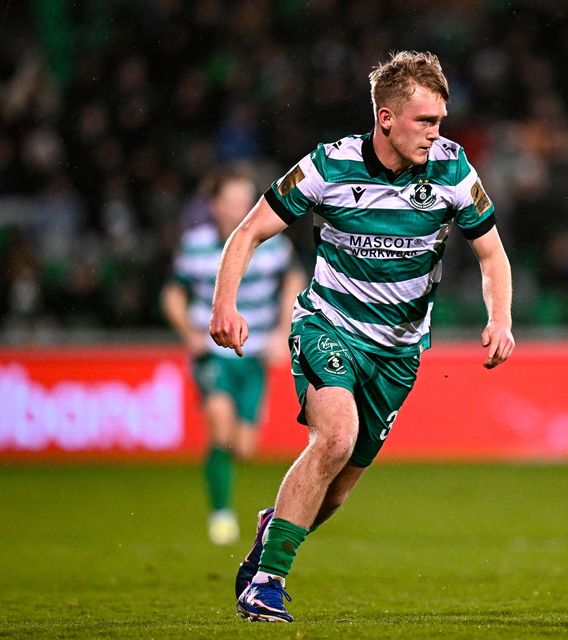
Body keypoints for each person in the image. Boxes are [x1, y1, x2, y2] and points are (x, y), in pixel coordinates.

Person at [210, 50, 515, 622]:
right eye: (425, 122)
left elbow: (492, 255)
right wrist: (224, 304)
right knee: (336, 437)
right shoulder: (328, 167)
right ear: (386, 119)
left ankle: (274, 529)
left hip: (399, 352)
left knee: (340, 489)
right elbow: (249, 231)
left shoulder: (452, 170)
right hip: (328, 325)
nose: (436, 134)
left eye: (440, 121)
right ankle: (268, 582)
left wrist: (500, 318)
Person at [161, 164, 305, 545]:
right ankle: (221, 513)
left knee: (244, 447)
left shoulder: (272, 242)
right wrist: (188, 332)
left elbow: (294, 279)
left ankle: (223, 489)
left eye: (246, 199)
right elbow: (173, 293)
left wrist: (281, 331)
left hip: (254, 354)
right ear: (214, 205)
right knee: (220, 428)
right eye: (232, 200)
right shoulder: (195, 244)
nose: (241, 206)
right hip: (212, 353)